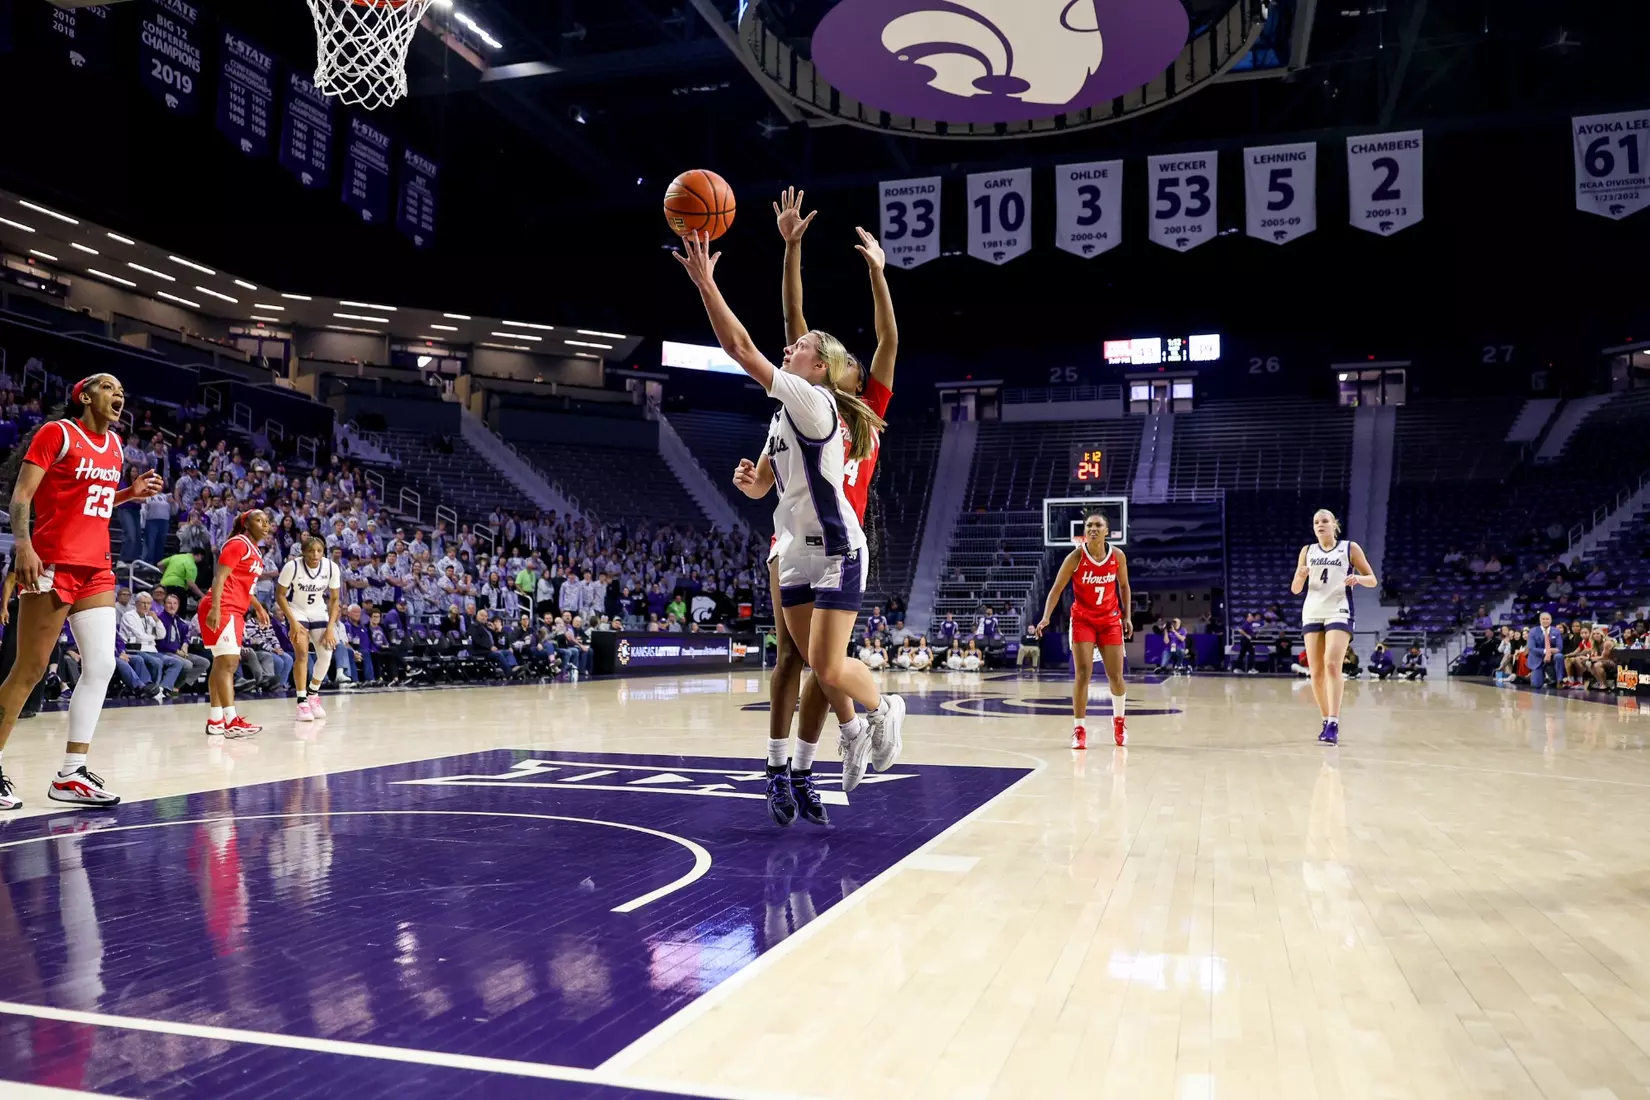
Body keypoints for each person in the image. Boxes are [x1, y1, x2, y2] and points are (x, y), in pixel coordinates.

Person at [689, 205, 904, 830]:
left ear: (834, 371)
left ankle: (851, 728)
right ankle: (809, 754)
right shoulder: (789, 407)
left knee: (822, 663)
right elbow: (788, 325)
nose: (796, 344)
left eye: (808, 348)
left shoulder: (838, 405)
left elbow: (884, 341)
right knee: (801, 659)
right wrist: (758, 479)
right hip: (794, 538)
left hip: (838, 538)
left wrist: (878, 275)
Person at [0, 373, 165, 808]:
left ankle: (71, 774)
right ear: (85, 395)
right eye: (110, 388)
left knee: (102, 665)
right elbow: (22, 495)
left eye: (122, 390)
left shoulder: (114, 446)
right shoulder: (58, 433)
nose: (119, 394)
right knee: (30, 670)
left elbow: (94, 499)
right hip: (52, 563)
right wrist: (23, 544)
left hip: (96, 569)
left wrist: (129, 493)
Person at [1035, 511, 1133, 751]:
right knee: (1083, 674)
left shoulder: (1117, 556)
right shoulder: (1075, 557)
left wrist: (1127, 616)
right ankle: (1079, 729)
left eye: (1098, 525)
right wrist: (1046, 617)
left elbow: (1124, 586)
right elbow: (1056, 589)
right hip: (1083, 620)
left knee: (1116, 676)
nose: (1093, 528)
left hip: (1110, 620)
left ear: (1107, 531)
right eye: (1089, 525)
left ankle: (1119, 722)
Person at [1290, 508, 1377, 745]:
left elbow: (1372, 579)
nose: (1320, 525)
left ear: (1333, 525)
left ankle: (1335, 722)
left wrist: (1357, 578)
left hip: (1339, 609)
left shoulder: (1349, 548)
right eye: (1316, 521)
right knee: (1316, 672)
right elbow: (1296, 589)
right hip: (1312, 611)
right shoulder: (1307, 551)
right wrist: (1300, 575)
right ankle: (1326, 719)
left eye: (1325, 521)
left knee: (1331, 663)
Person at [197, 510, 272, 738]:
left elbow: (245, 587)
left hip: (235, 608)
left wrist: (258, 607)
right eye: (259, 520)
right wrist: (216, 608)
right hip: (223, 606)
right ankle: (232, 721)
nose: (265, 525)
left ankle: (216, 720)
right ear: (246, 524)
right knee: (229, 664)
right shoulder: (238, 543)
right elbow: (219, 577)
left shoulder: (256, 552)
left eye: (267, 522)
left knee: (221, 664)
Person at [274, 536, 340, 722]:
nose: (315, 554)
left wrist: (331, 627)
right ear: (303, 552)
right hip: (297, 611)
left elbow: (335, 599)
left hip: (319, 611)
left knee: (326, 653)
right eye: (311, 551)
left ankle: (313, 694)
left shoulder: (331, 567)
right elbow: (280, 595)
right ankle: (302, 701)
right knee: (302, 654)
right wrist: (292, 620)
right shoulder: (292, 567)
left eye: (319, 551)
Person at [1528, 612, 1563, 689]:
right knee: (1536, 685)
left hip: (1552, 657)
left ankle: (1559, 680)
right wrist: (1546, 651)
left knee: (1559, 656)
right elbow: (1531, 648)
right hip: (1538, 658)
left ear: (1550, 620)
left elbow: (1559, 648)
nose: (1545, 621)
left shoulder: (1556, 631)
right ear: (1540, 620)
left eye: (1547, 619)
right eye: (1543, 619)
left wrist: (1549, 653)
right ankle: (1531, 677)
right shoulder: (1533, 631)